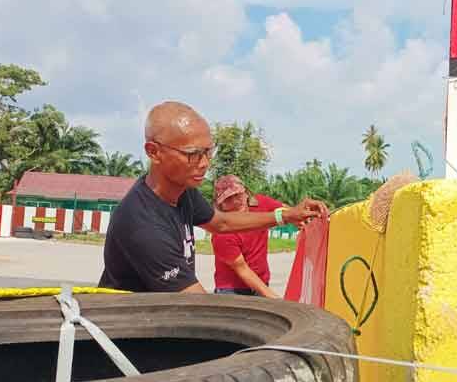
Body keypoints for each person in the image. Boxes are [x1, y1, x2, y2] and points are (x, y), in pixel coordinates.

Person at [98, 101, 327, 293]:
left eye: (208, 151)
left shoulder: (182, 192)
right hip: (127, 338)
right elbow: (197, 304)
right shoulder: (143, 224)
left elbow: (221, 222)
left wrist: (286, 215)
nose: (205, 163)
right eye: (193, 154)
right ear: (154, 152)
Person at [210, 174, 283, 298]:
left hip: (262, 281)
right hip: (232, 290)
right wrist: (276, 300)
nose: (235, 202)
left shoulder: (262, 204)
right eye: (228, 199)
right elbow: (243, 270)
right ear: (220, 205)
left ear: (246, 193)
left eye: (237, 195)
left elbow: (289, 213)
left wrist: (305, 219)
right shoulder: (221, 232)